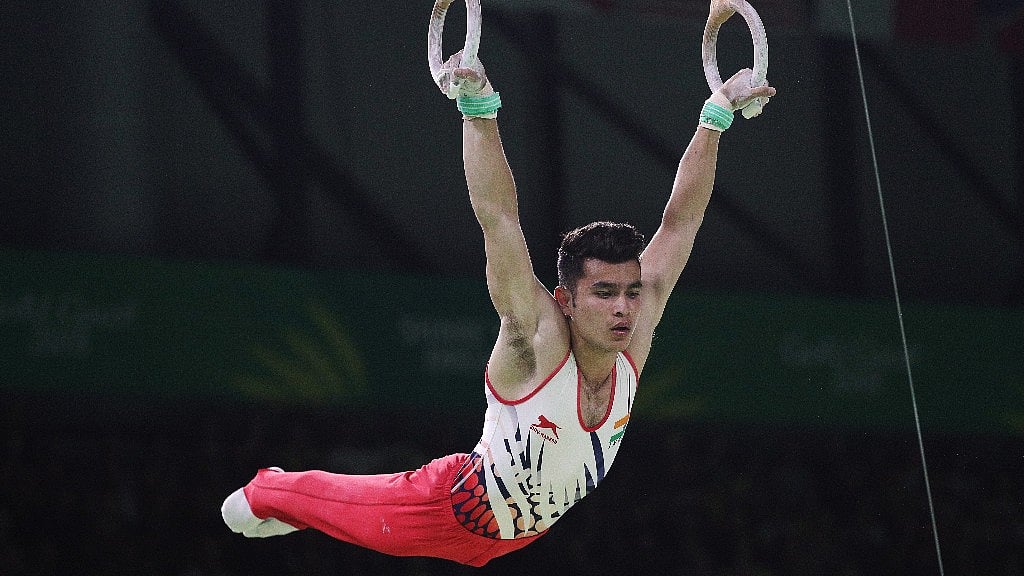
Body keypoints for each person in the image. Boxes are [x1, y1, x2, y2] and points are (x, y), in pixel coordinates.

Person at [220, 48, 776, 567]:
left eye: (630, 292)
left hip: (523, 533)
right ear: (565, 300)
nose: (624, 309)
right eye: (604, 294)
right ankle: (269, 491)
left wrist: (716, 116)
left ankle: (286, 507)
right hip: (447, 510)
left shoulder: (638, 327)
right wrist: (478, 109)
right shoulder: (536, 337)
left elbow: (680, 224)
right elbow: (498, 218)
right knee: (299, 507)